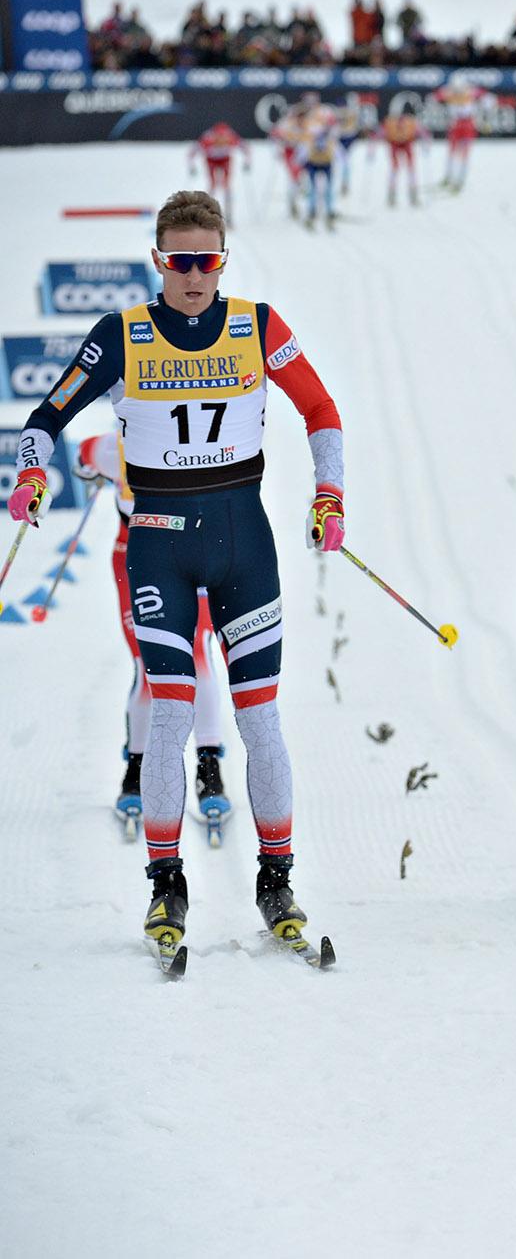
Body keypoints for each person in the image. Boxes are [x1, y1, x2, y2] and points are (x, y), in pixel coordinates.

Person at [8, 190, 347, 965]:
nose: (195, 275)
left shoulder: (258, 325)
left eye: (209, 260)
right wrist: (30, 477)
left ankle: (277, 879)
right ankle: (167, 882)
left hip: (244, 537)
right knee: (170, 710)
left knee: (260, 718)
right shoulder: (121, 335)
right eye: (182, 260)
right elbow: (45, 420)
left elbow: (322, 409)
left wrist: (330, 493)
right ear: (160, 261)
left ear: (223, 259)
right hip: (159, 538)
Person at [74, 431, 230, 840]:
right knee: (157, 664)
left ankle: (206, 769)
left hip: (176, 552)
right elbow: (84, 456)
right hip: (143, 556)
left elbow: (84, 457)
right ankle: (144, 771)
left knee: (192, 658)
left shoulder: (121, 443)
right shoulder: (120, 444)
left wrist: (91, 470)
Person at [187, 122, 249, 228]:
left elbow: (245, 147)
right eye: (218, 139)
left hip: (225, 160)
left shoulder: (230, 137)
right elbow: (193, 151)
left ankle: (229, 217)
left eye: (223, 139)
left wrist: (247, 162)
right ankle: (207, 213)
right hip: (211, 160)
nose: (221, 141)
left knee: (227, 186)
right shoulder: (208, 138)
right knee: (213, 185)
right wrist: (192, 166)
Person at [299, 103, 341, 230]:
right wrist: (299, 161)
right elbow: (305, 146)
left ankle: (329, 211)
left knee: (328, 189)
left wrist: (341, 161)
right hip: (313, 162)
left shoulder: (332, 133)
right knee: (312, 189)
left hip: (326, 163)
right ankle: (312, 211)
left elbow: (337, 149)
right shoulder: (313, 130)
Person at [382, 105, 428, 207]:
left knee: (410, 169)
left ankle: (413, 196)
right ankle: (392, 196)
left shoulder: (410, 121)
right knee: (395, 169)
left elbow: (421, 131)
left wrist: (425, 142)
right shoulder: (390, 121)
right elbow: (381, 132)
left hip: (407, 143)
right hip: (394, 143)